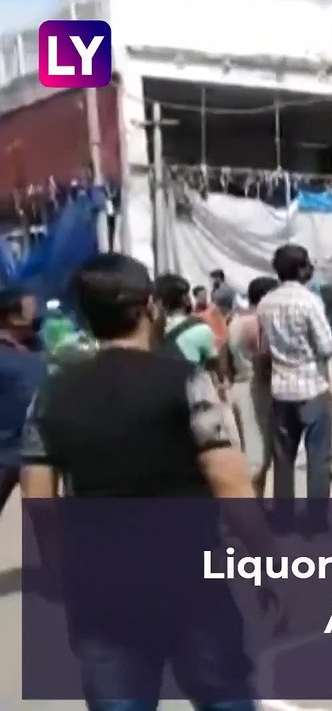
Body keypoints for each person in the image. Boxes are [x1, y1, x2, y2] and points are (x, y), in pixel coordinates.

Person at [21, 252, 268, 710]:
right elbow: (230, 485)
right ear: (150, 305)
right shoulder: (186, 381)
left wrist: (59, 571)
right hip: (190, 580)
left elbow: (39, 501)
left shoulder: (51, 394)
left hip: (100, 589)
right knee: (224, 697)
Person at [256, 243, 332, 532]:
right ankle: (316, 522)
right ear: (303, 268)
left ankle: (283, 519)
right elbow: (327, 346)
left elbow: (264, 349)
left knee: (283, 460)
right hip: (312, 387)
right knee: (319, 458)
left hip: (281, 389)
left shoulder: (265, 303)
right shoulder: (309, 301)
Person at [227, 276, 278, 497]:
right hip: (255, 388)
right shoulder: (257, 322)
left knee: (252, 452)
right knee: (258, 457)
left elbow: (224, 358)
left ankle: (256, 505)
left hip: (238, 385)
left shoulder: (235, 320)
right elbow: (262, 360)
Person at [0, 287, 44, 515]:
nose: (38, 314)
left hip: (35, 451)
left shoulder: (37, 345)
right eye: (32, 310)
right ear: (12, 317)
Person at [156, 273, 225, 388]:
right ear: (185, 299)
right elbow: (215, 367)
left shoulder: (150, 331)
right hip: (194, 395)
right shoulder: (200, 329)